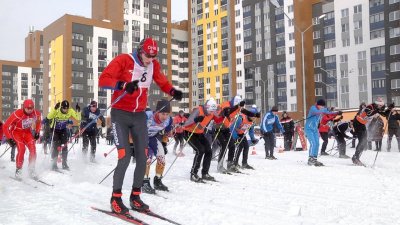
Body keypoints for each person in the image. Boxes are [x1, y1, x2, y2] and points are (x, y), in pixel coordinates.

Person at [98, 37, 183, 215]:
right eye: (147, 55)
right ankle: (116, 198)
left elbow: (162, 81)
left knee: (143, 156)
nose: (149, 59)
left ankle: (135, 197)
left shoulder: (153, 65)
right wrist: (122, 85)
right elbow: (103, 80)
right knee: (124, 156)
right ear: (140, 50)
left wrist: (172, 91)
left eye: (153, 56)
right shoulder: (123, 60)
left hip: (139, 116)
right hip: (120, 114)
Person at [183, 98, 221, 182]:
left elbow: (218, 120)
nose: (211, 113)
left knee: (209, 151)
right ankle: (193, 174)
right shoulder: (198, 110)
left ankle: (205, 173)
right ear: (206, 108)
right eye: (210, 111)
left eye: (213, 111)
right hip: (190, 132)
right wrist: (196, 120)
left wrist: (225, 114)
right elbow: (187, 124)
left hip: (199, 133)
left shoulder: (212, 112)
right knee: (200, 150)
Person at [3, 99, 41, 179]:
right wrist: (9, 139)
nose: (30, 110)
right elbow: (5, 126)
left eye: (31, 108)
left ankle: (31, 169)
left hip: (27, 133)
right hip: (16, 132)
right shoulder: (17, 113)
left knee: (33, 149)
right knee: (22, 149)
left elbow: (38, 122)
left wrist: (37, 132)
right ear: (24, 107)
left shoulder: (36, 113)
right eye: (28, 108)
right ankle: (18, 170)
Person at [141, 99, 173, 193]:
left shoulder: (168, 120)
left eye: (167, 114)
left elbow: (167, 132)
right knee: (148, 159)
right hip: (142, 138)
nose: (165, 116)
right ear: (158, 111)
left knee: (161, 158)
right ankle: (144, 182)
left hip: (153, 138)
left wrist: (164, 143)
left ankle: (157, 181)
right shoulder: (148, 115)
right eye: (163, 114)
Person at [352, 98, 391, 166]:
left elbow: (383, 114)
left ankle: (356, 157)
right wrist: (377, 111)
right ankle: (355, 158)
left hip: (362, 124)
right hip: (357, 123)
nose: (381, 108)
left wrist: (389, 111)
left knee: (364, 141)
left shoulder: (376, 108)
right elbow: (366, 114)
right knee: (362, 141)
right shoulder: (370, 107)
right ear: (377, 104)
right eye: (381, 106)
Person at [47, 100, 81, 170]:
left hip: (63, 130)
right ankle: (54, 164)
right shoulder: (57, 111)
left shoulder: (70, 111)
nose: (66, 110)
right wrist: (54, 109)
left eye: (67, 108)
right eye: (64, 108)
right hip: (55, 130)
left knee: (65, 146)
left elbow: (78, 118)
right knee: (57, 146)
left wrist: (78, 111)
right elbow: (49, 117)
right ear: (61, 107)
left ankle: (64, 163)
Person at [304, 99, 339, 166]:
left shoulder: (321, 109)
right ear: (318, 104)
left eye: (323, 106)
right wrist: (325, 109)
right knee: (313, 143)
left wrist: (336, 113)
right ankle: (310, 159)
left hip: (315, 130)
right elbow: (317, 112)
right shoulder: (313, 108)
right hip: (309, 129)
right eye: (321, 106)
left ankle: (314, 159)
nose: (322, 107)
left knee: (317, 143)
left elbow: (328, 113)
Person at [231, 105, 260, 170]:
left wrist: (253, 139)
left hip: (241, 133)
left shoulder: (252, 121)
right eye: (252, 115)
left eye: (254, 116)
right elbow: (232, 128)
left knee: (246, 146)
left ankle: (244, 163)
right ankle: (235, 162)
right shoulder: (241, 118)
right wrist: (236, 137)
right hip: (234, 133)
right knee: (240, 146)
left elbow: (251, 130)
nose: (253, 117)